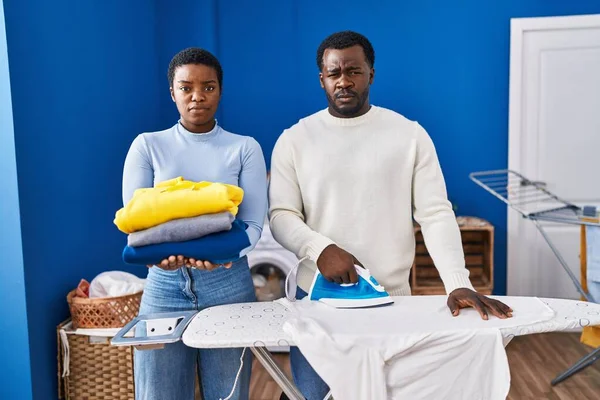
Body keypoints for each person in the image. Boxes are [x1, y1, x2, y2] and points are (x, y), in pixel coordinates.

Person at [268, 31, 513, 400]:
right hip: (318, 301)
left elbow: (435, 214)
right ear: (322, 79)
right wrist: (320, 249)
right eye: (334, 73)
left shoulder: (408, 135)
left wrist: (456, 282)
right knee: (312, 395)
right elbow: (282, 215)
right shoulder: (294, 139)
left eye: (354, 70)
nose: (344, 81)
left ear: (371, 74)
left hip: (395, 301)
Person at [121, 47, 267, 400]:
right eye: (186, 88)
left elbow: (252, 226)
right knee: (158, 393)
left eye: (208, 87)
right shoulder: (147, 146)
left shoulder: (244, 148)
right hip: (163, 287)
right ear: (172, 92)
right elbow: (137, 223)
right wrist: (158, 254)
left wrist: (219, 254)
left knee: (228, 394)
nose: (197, 96)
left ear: (220, 90)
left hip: (228, 284)